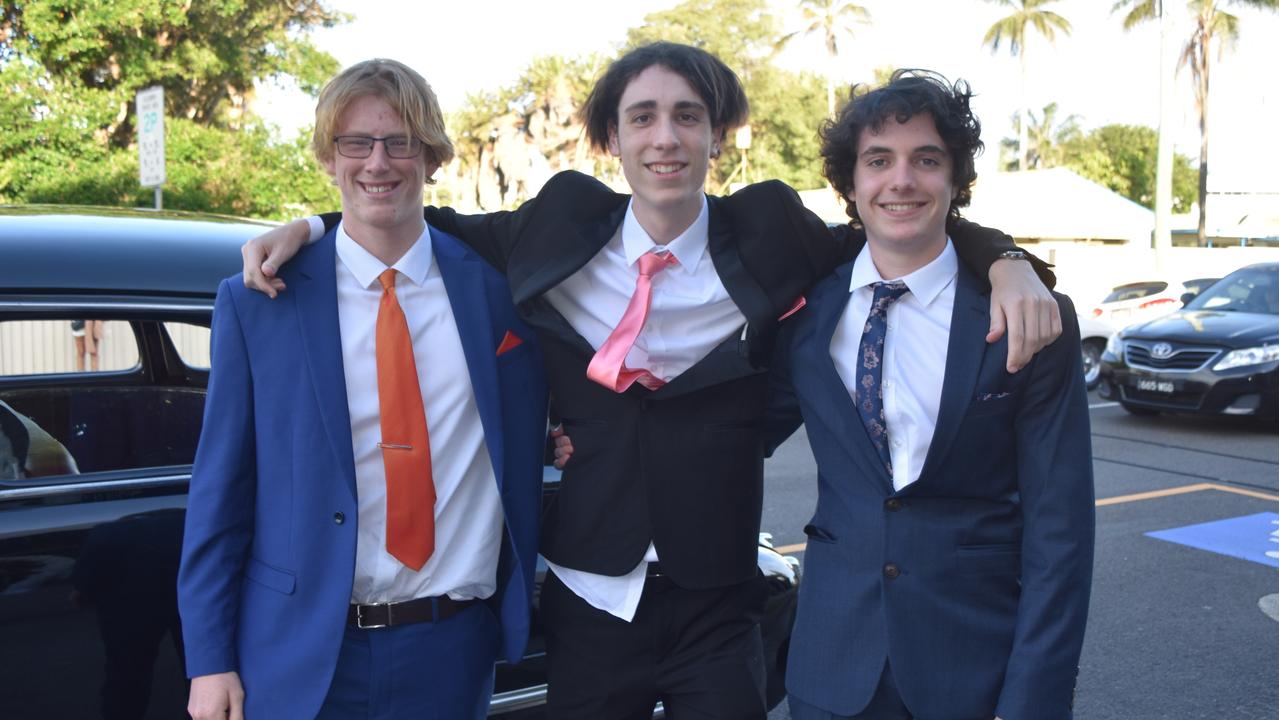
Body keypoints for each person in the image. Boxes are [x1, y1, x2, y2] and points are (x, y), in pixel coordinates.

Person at [239, 44, 1059, 719]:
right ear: (613, 141)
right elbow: (424, 223)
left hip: (718, 596)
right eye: (642, 118)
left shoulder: (769, 231)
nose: (665, 137)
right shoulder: (560, 222)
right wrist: (311, 226)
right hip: (591, 591)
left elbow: (892, 221)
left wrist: (1005, 260)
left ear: (716, 137)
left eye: (687, 117)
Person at [177, 59, 548, 720]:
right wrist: (209, 660)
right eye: (356, 142)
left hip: (451, 645)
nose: (378, 162)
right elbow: (219, 492)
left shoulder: (498, 292)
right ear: (329, 156)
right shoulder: (261, 300)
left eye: (400, 142)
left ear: (431, 157)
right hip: (298, 652)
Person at [763, 70, 1095, 720]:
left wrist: (1032, 701)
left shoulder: (1028, 318)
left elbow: (1061, 534)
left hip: (974, 670)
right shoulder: (804, 316)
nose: (901, 180)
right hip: (829, 673)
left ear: (954, 179)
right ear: (850, 182)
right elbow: (728, 427)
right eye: (878, 160)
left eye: (926, 159)